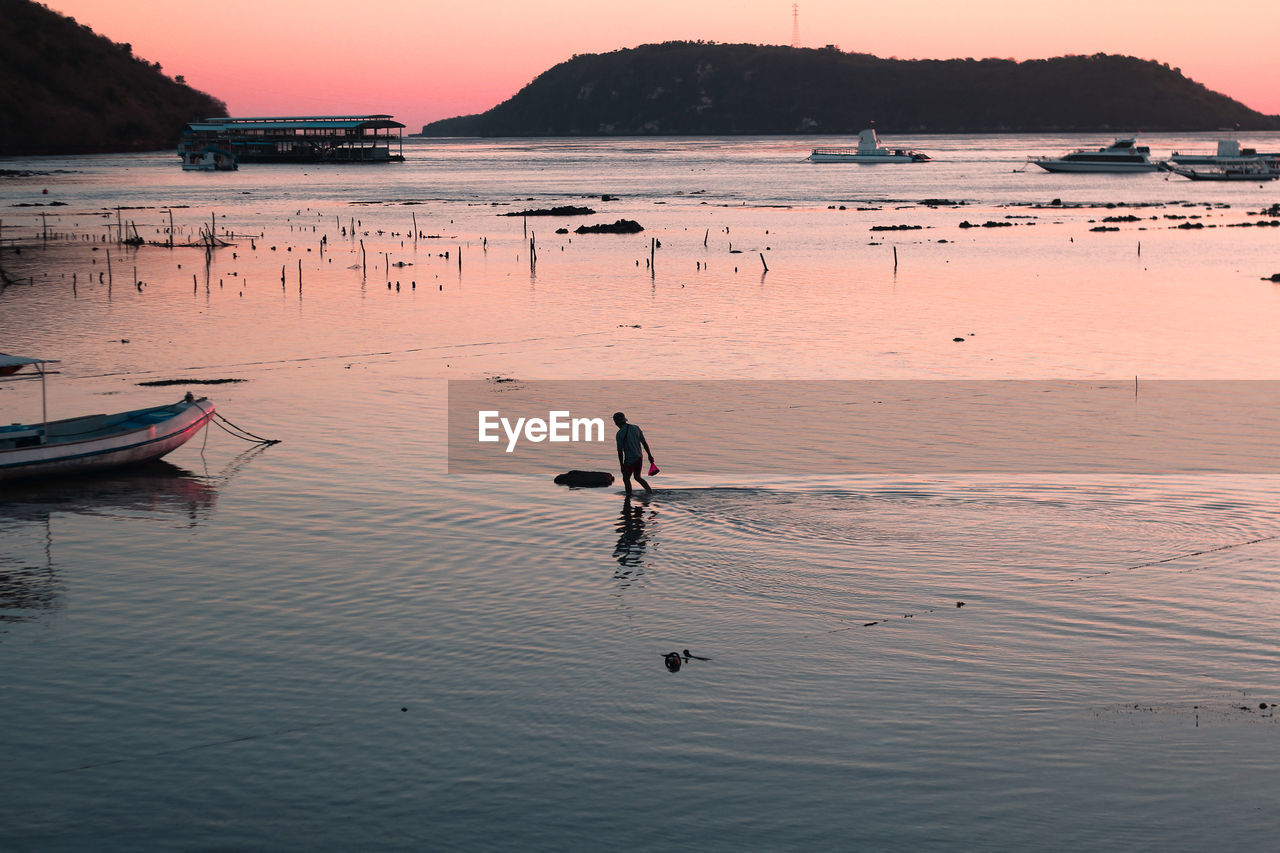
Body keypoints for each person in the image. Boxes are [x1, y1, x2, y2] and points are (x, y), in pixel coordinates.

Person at [613, 411, 654, 496]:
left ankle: (628, 496)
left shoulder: (619, 434)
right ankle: (650, 492)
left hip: (630, 460)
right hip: (639, 457)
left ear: (616, 422)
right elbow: (644, 443)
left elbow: (620, 452)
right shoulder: (636, 428)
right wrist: (649, 455)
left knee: (626, 479)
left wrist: (621, 465)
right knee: (637, 477)